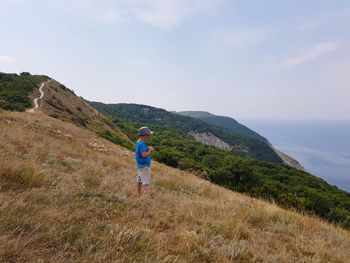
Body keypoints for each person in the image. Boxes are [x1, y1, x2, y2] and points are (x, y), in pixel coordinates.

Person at [135, 126, 154, 195]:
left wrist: (147, 149)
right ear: (145, 135)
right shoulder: (142, 144)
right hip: (144, 165)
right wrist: (150, 150)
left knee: (139, 180)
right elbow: (144, 155)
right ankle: (148, 199)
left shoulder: (138, 142)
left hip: (140, 165)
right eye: (149, 135)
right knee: (145, 183)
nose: (149, 137)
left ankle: (138, 194)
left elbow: (141, 152)